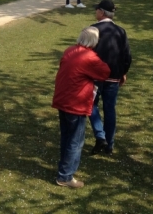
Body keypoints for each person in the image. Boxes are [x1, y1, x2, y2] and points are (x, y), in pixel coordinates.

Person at [51, 26, 111, 188]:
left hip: (62, 99)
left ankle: (64, 169)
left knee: (66, 137)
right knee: (75, 141)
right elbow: (105, 72)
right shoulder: (89, 57)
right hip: (75, 102)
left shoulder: (70, 50)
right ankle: (65, 176)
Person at [88, 0, 132, 156]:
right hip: (113, 77)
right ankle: (109, 144)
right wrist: (122, 72)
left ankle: (100, 135)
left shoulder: (93, 30)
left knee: (91, 105)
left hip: (95, 77)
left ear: (101, 12)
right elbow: (127, 56)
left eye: (97, 11)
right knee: (109, 109)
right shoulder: (121, 31)